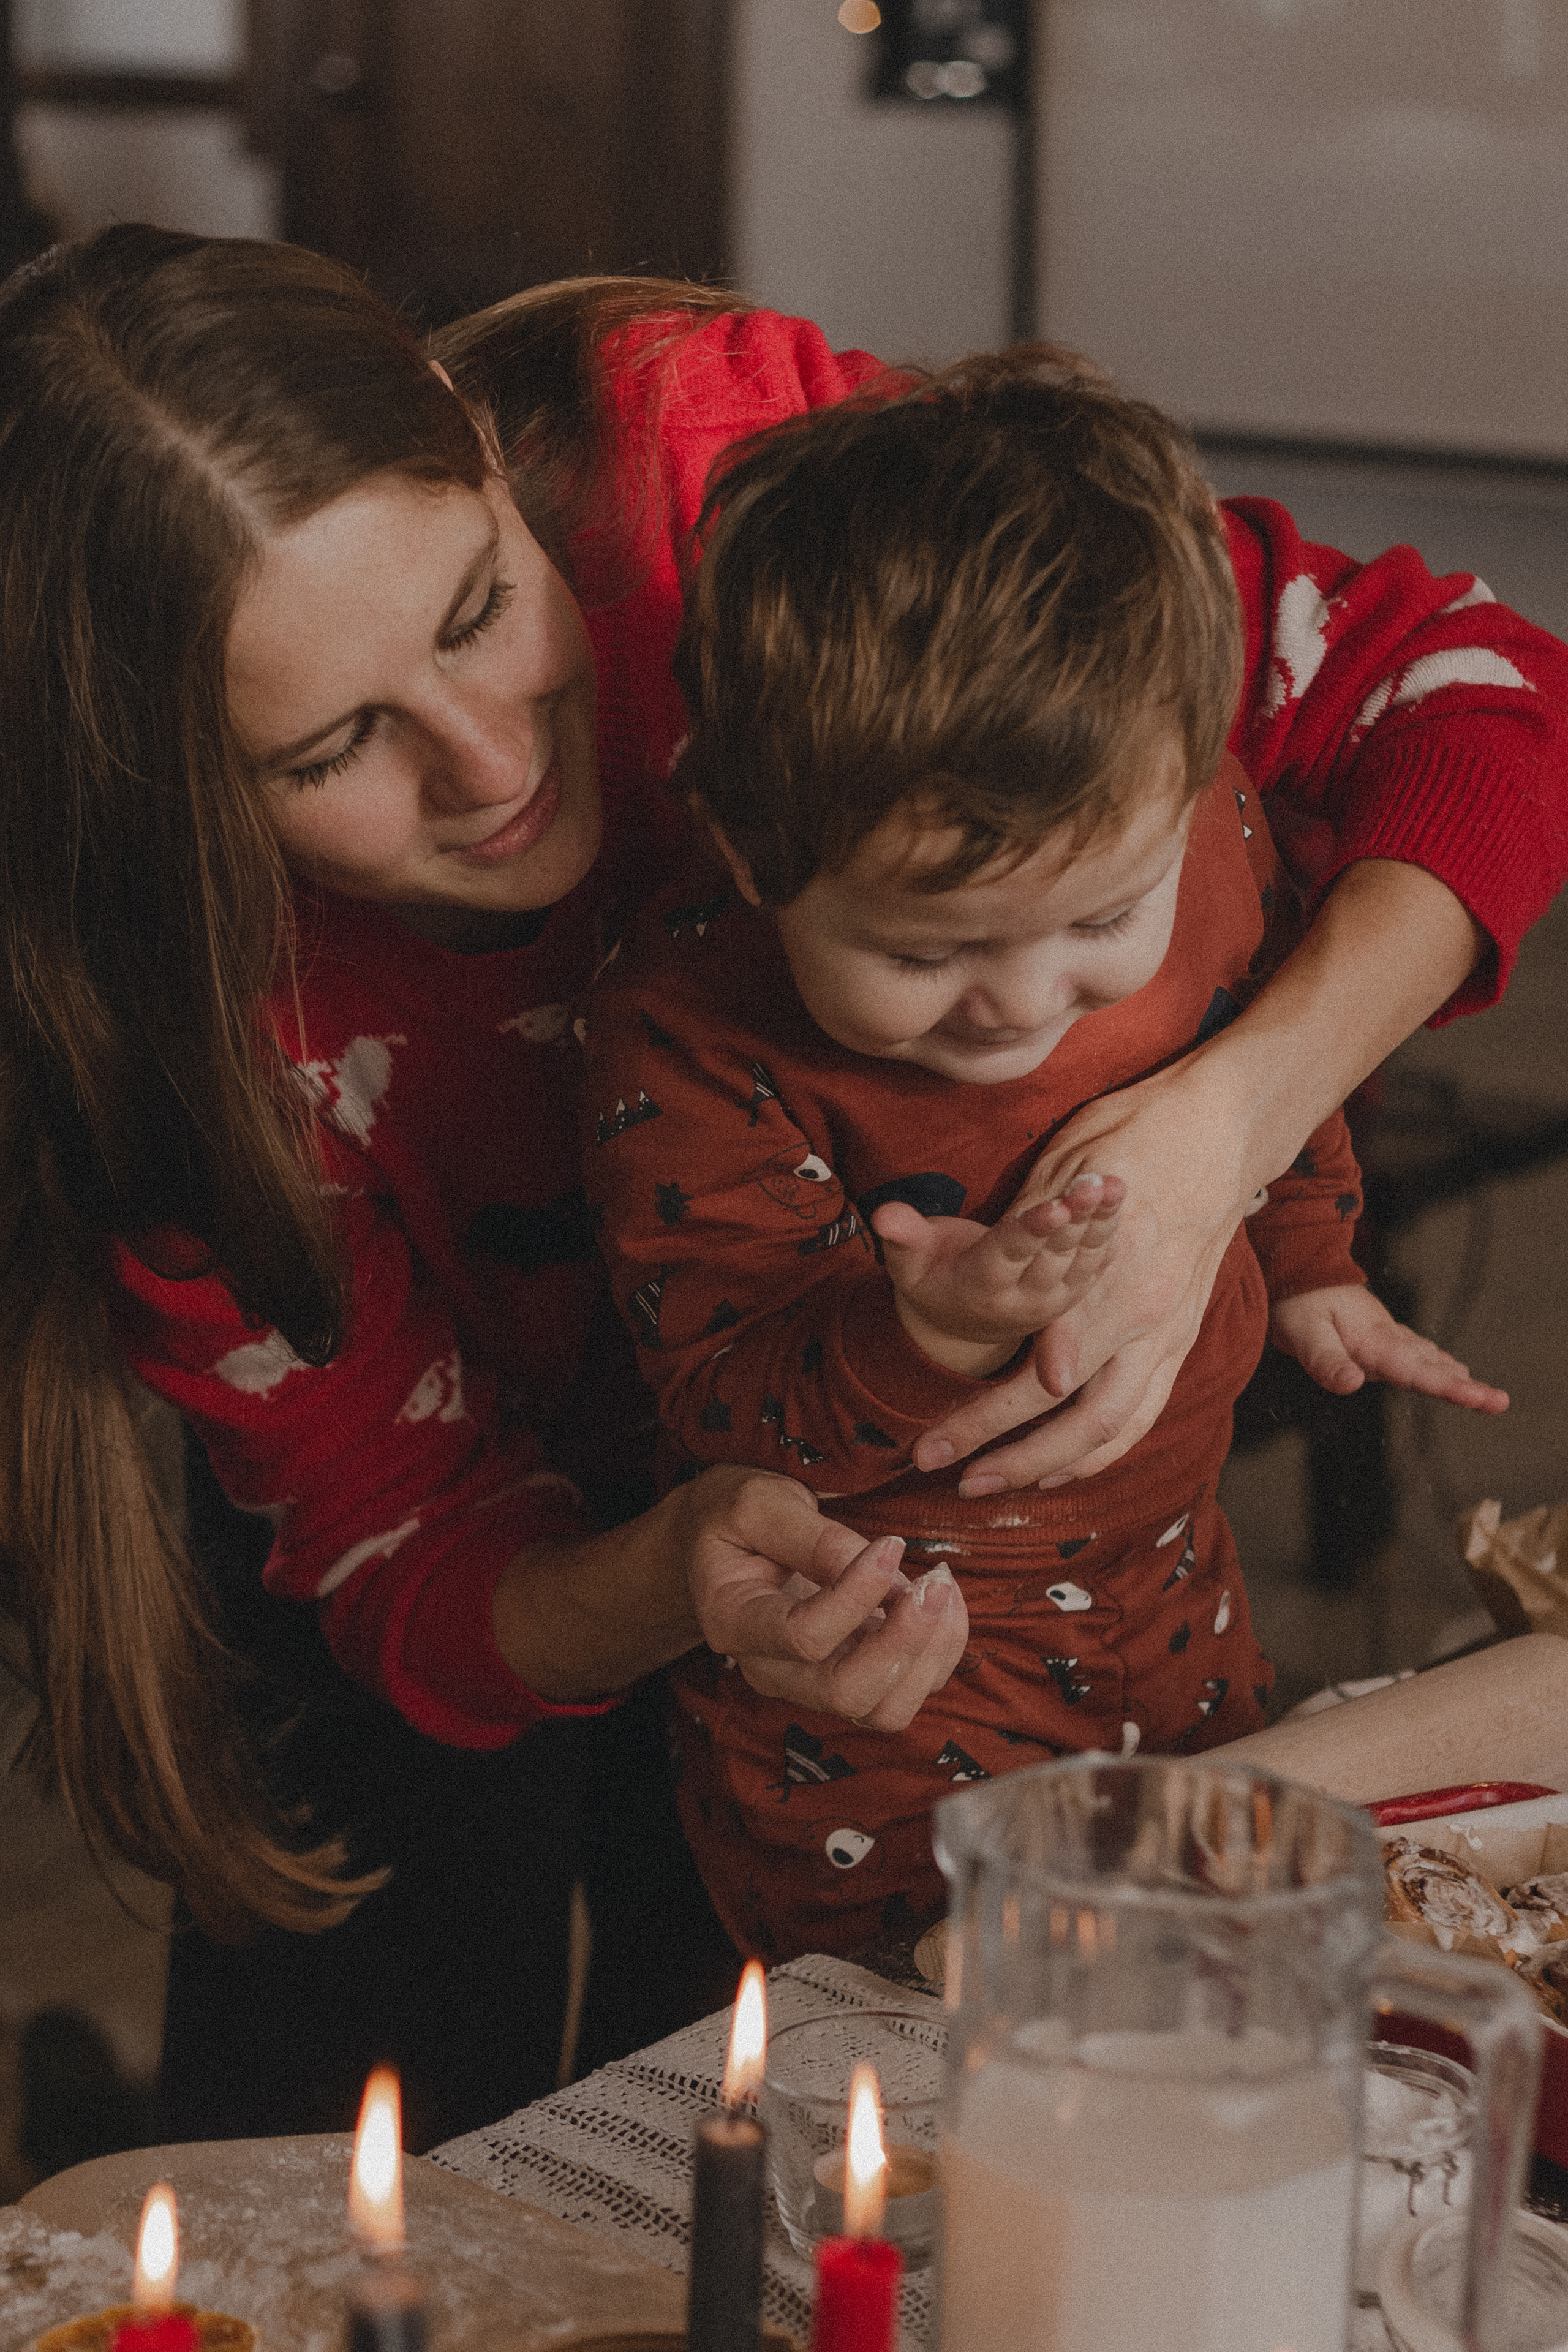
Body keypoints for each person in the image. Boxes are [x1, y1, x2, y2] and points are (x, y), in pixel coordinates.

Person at [0, 225, 1562, 2138]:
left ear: (484, 454)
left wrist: (1226, 1129)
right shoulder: (177, 1035)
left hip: (873, 1636)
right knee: (358, 2089)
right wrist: (656, 1580)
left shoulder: (749, 490)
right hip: (502, 1566)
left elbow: (1470, 691)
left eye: (485, 606)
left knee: (748, 2117)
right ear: (161, 805)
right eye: (335, 748)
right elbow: (413, 1566)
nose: (494, 769)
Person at [581, 357, 1511, 1959]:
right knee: (932, 2074)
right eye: (926, 951)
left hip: (1182, 1611)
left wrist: (1309, 1257)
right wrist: (925, 1333)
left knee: (1195, 1973)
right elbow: (720, 1396)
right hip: (883, 1717)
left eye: (1098, 923)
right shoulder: (684, 1037)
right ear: (748, 850)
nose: (1021, 1001)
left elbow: (1269, 1037)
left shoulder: (1202, 831)